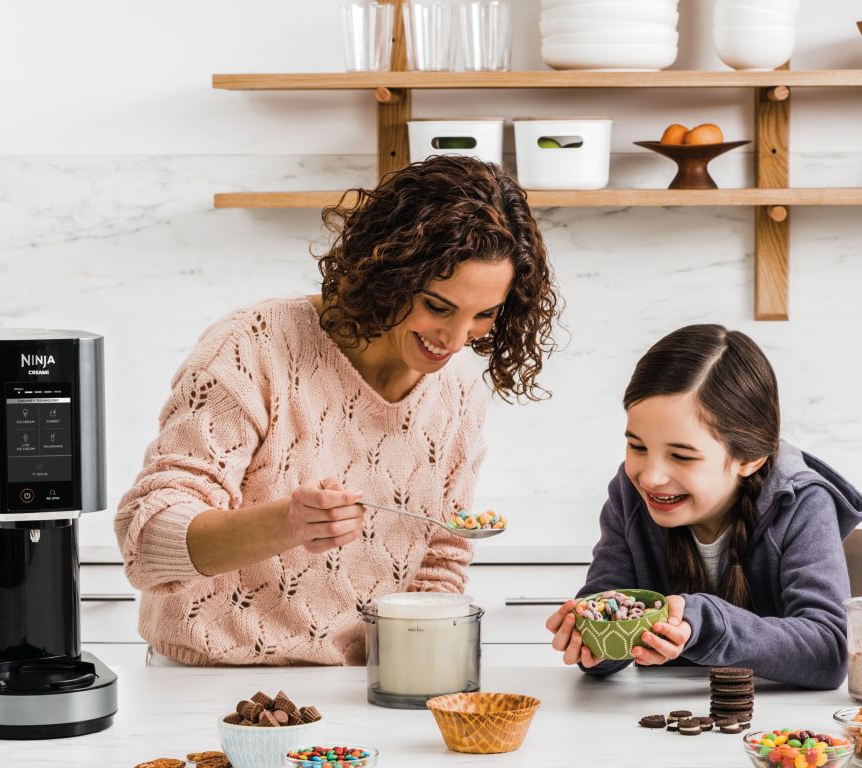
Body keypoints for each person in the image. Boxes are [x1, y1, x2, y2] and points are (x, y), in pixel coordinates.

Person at [115, 156, 560, 665]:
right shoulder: (253, 348)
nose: (457, 340)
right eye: (437, 307)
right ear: (391, 273)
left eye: (484, 315)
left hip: (357, 683)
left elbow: (441, 555)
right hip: (207, 680)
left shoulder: (457, 390)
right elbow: (146, 543)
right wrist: (289, 524)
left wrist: (418, 672)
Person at [544, 324, 862, 689]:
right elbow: (609, 608)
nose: (650, 477)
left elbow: (829, 651)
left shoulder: (802, 502)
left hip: (775, 717)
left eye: (681, 456)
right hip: (658, 716)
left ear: (749, 457)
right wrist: (595, 639)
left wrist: (707, 624)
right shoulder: (629, 495)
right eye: (638, 447)